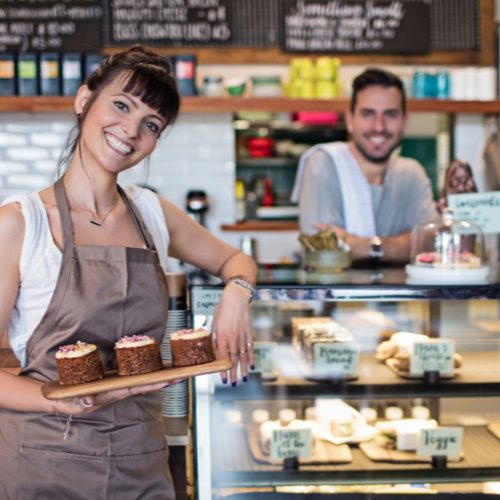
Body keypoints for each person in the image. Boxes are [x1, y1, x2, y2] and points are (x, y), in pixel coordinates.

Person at [0, 46, 257, 499]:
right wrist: (59, 398)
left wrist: (235, 294)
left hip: (140, 459)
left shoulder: (151, 212)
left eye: (151, 124)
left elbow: (236, 261)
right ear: (84, 100)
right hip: (45, 462)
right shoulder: (21, 223)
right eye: (121, 105)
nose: (131, 130)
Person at [291, 68, 438, 263]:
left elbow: (429, 244)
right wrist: (400, 245)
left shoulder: (411, 174)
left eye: (391, 114)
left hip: (405, 294)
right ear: (350, 120)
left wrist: (361, 245)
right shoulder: (323, 163)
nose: (379, 126)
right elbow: (321, 252)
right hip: (336, 293)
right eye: (368, 114)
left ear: (405, 121)